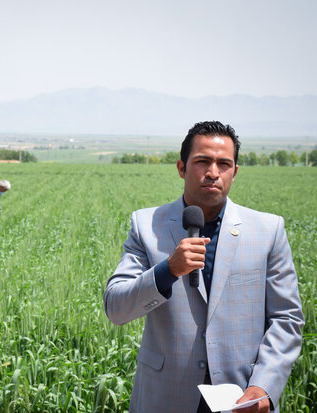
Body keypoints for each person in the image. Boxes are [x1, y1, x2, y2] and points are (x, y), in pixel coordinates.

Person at [104, 121, 304, 413]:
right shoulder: (146, 225)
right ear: (181, 168)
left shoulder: (268, 230)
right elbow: (116, 308)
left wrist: (264, 386)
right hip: (164, 398)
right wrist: (167, 270)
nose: (213, 172)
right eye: (202, 162)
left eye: (224, 163)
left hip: (241, 398)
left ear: (234, 172)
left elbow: (286, 319)